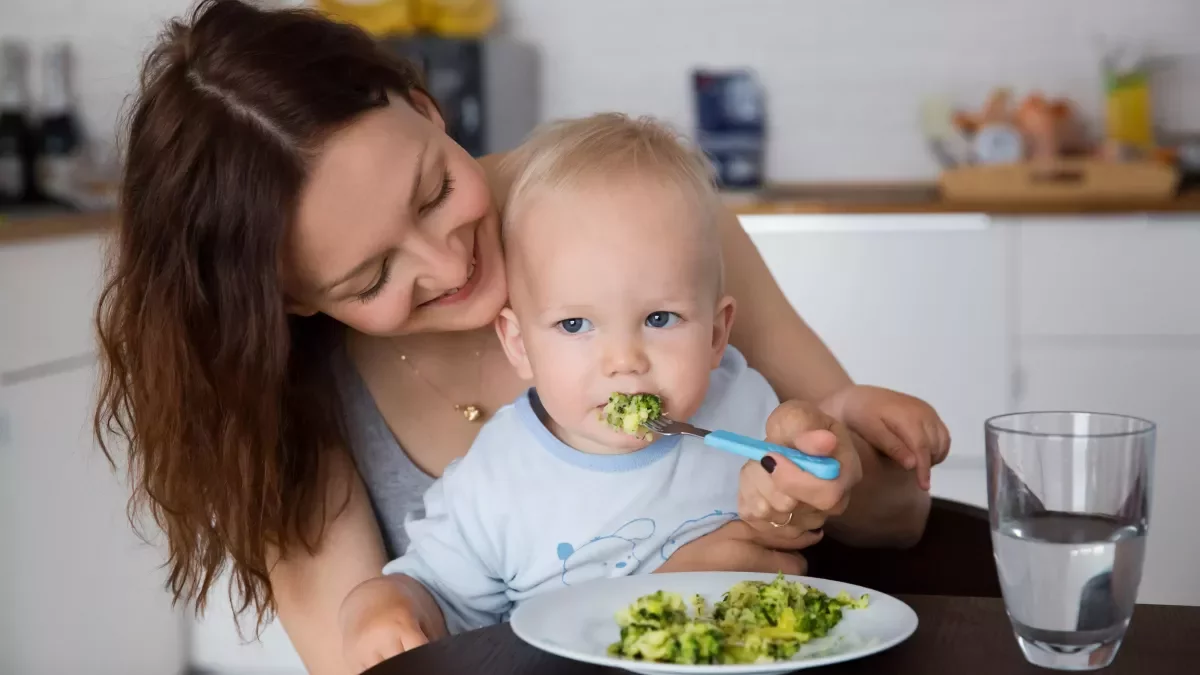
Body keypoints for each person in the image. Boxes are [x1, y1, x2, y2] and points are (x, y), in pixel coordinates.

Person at [94, 2, 946, 674]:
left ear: (426, 107)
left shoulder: (632, 219)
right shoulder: (287, 400)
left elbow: (900, 514)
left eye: (432, 191)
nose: (446, 259)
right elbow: (380, 643)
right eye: (371, 277)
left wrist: (821, 479)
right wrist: (643, 611)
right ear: (292, 304)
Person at [337, 113, 950, 671]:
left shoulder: (742, 405)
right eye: (575, 325)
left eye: (659, 319)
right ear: (519, 344)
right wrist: (381, 604)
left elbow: (814, 453)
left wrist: (843, 421)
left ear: (717, 334)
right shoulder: (492, 483)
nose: (625, 361)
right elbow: (430, 590)